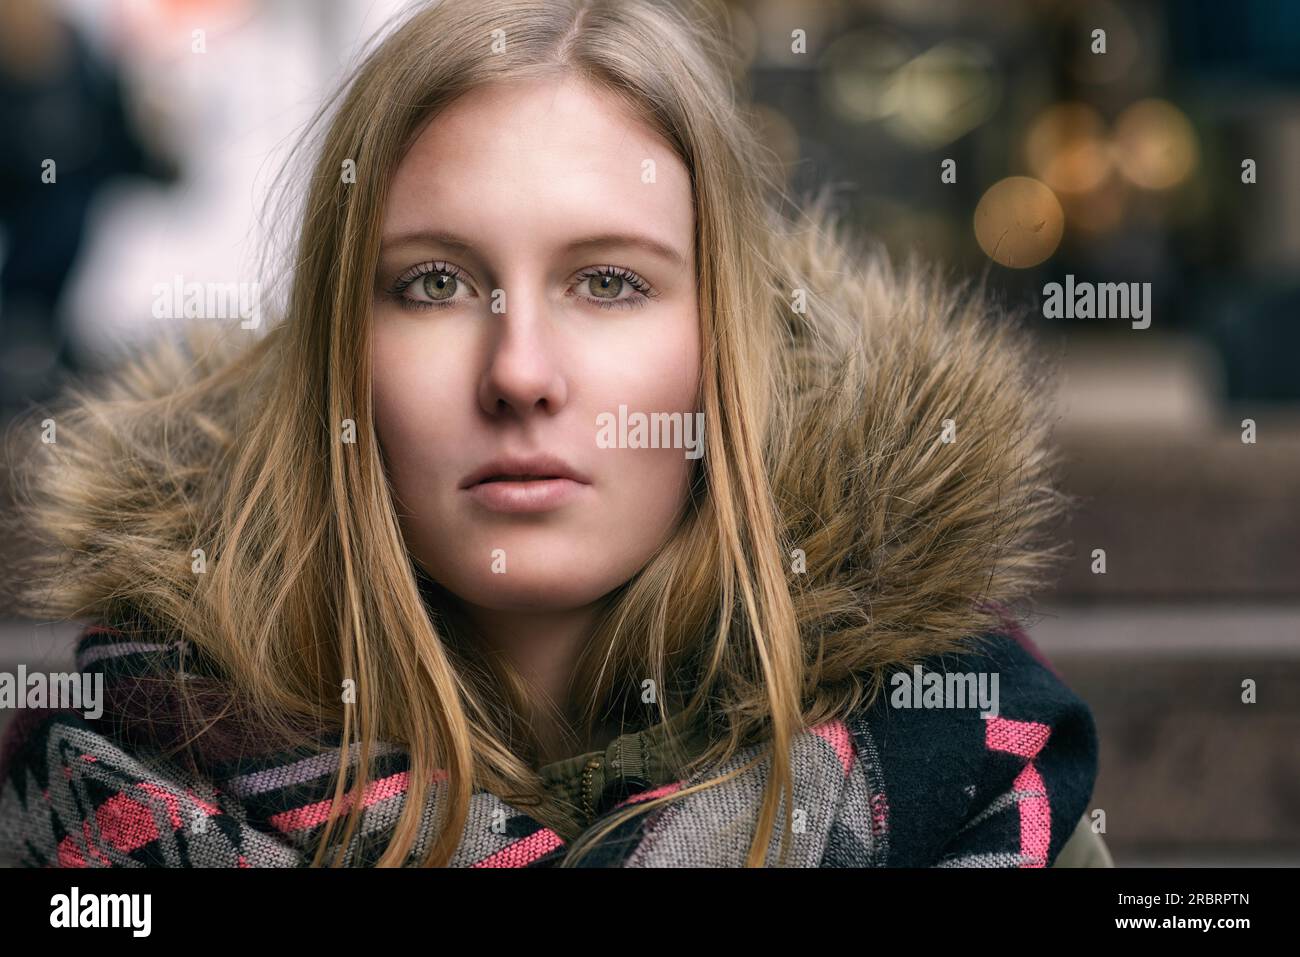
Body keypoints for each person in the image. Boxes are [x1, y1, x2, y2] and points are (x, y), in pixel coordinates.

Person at [0, 0, 1101, 868]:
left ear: (726, 345)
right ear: (342, 354)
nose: (519, 372)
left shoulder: (960, 763)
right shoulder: (116, 785)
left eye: (609, 282)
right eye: (433, 283)